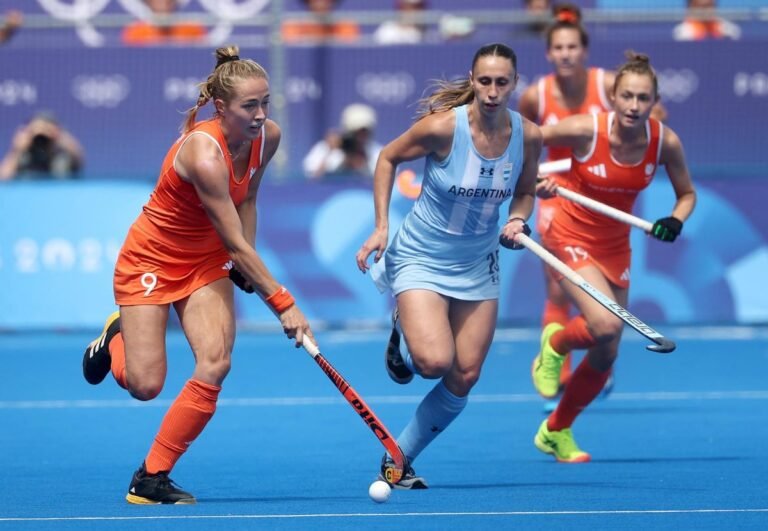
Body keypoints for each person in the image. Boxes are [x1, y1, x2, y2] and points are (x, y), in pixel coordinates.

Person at [81, 45, 315, 504]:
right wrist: (284, 303)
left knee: (216, 361)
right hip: (151, 258)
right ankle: (116, 337)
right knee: (145, 386)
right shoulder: (203, 154)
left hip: (206, 260)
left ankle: (150, 477)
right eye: (250, 105)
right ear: (221, 106)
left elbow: (247, 199)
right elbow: (233, 241)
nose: (261, 114)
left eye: (266, 102)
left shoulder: (268, 137)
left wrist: (245, 269)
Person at [355, 43, 541, 488]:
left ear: (515, 84)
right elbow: (387, 158)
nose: (493, 92)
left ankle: (397, 460)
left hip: (478, 262)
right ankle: (402, 324)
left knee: (465, 374)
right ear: (472, 81)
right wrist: (381, 226)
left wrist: (518, 220)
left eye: (502, 82)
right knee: (435, 362)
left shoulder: (528, 135)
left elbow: (527, 190)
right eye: (485, 82)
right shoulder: (442, 129)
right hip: (422, 255)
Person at [530, 51, 696, 463]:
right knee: (603, 324)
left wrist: (674, 221)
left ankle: (556, 430)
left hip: (615, 245)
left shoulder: (664, 142)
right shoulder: (589, 129)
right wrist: (532, 178)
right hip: (568, 233)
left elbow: (686, 194)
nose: (634, 106)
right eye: (627, 97)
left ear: (654, 101)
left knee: (607, 350)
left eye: (643, 98)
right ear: (614, 98)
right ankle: (556, 343)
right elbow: (529, 137)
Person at [517, 3, 665, 398]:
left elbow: (656, 120)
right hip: (556, 194)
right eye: (558, 48)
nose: (566, 54)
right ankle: (558, 370)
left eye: (573, 47)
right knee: (557, 290)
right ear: (549, 53)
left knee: (603, 315)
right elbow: (526, 137)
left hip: (601, 195)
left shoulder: (608, 85)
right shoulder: (535, 95)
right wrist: (531, 177)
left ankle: (593, 348)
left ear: (584, 50)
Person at [303, 103, 382, 180]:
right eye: (356, 132)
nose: (360, 137)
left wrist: (362, 164)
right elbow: (311, 179)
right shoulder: (326, 148)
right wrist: (329, 153)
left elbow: (384, 180)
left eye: (364, 132)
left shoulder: (377, 152)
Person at [0, 111, 84, 181]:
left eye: (47, 130)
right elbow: (3, 177)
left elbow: (79, 157)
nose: (41, 136)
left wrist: (58, 135)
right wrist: (16, 150)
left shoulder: (61, 156)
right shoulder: (23, 155)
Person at [122, 0, 207, 46]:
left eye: (168, 1)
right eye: (158, 1)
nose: (163, 4)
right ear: (149, 3)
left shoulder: (192, 30)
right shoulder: (135, 32)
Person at [281, 0, 360, 44]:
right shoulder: (293, 26)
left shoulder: (345, 25)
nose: (321, 2)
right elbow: (293, 51)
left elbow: (349, 51)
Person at [673, 0, 741, 41]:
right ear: (691, 7)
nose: (705, 11)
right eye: (700, 7)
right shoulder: (682, 32)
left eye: (709, 5)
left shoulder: (729, 30)